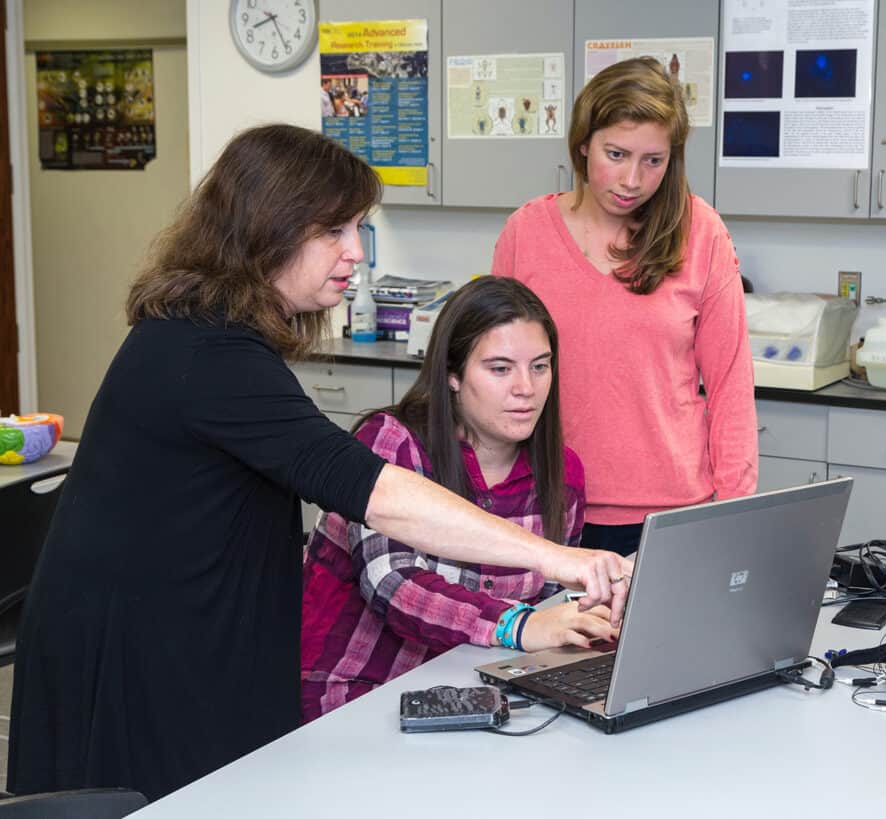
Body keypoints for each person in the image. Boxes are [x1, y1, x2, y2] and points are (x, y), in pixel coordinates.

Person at [6, 124, 631, 801]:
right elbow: (375, 492)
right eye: (334, 230)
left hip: (179, 636)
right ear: (268, 227)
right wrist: (555, 557)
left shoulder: (214, 338)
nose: (355, 253)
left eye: (358, 229)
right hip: (137, 650)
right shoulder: (207, 355)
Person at [301, 277, 618, 720]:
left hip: (477, 694)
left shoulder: (562, 473)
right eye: (500, 369)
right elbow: (392, 582)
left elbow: (546, 603)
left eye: (540, 367)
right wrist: (518, 625)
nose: (526, 388)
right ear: (452, 375)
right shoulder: (392, 444)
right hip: (360, 697)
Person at [492, 57, 757, 557]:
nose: (633, 179)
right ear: (584, 142)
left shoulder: (701, 233)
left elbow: (730, 388)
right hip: (547, 506)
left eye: (653, 161)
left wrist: (735, 512)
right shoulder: (525, 234)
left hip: (673, 512)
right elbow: (493, 374)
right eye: (616, 154)